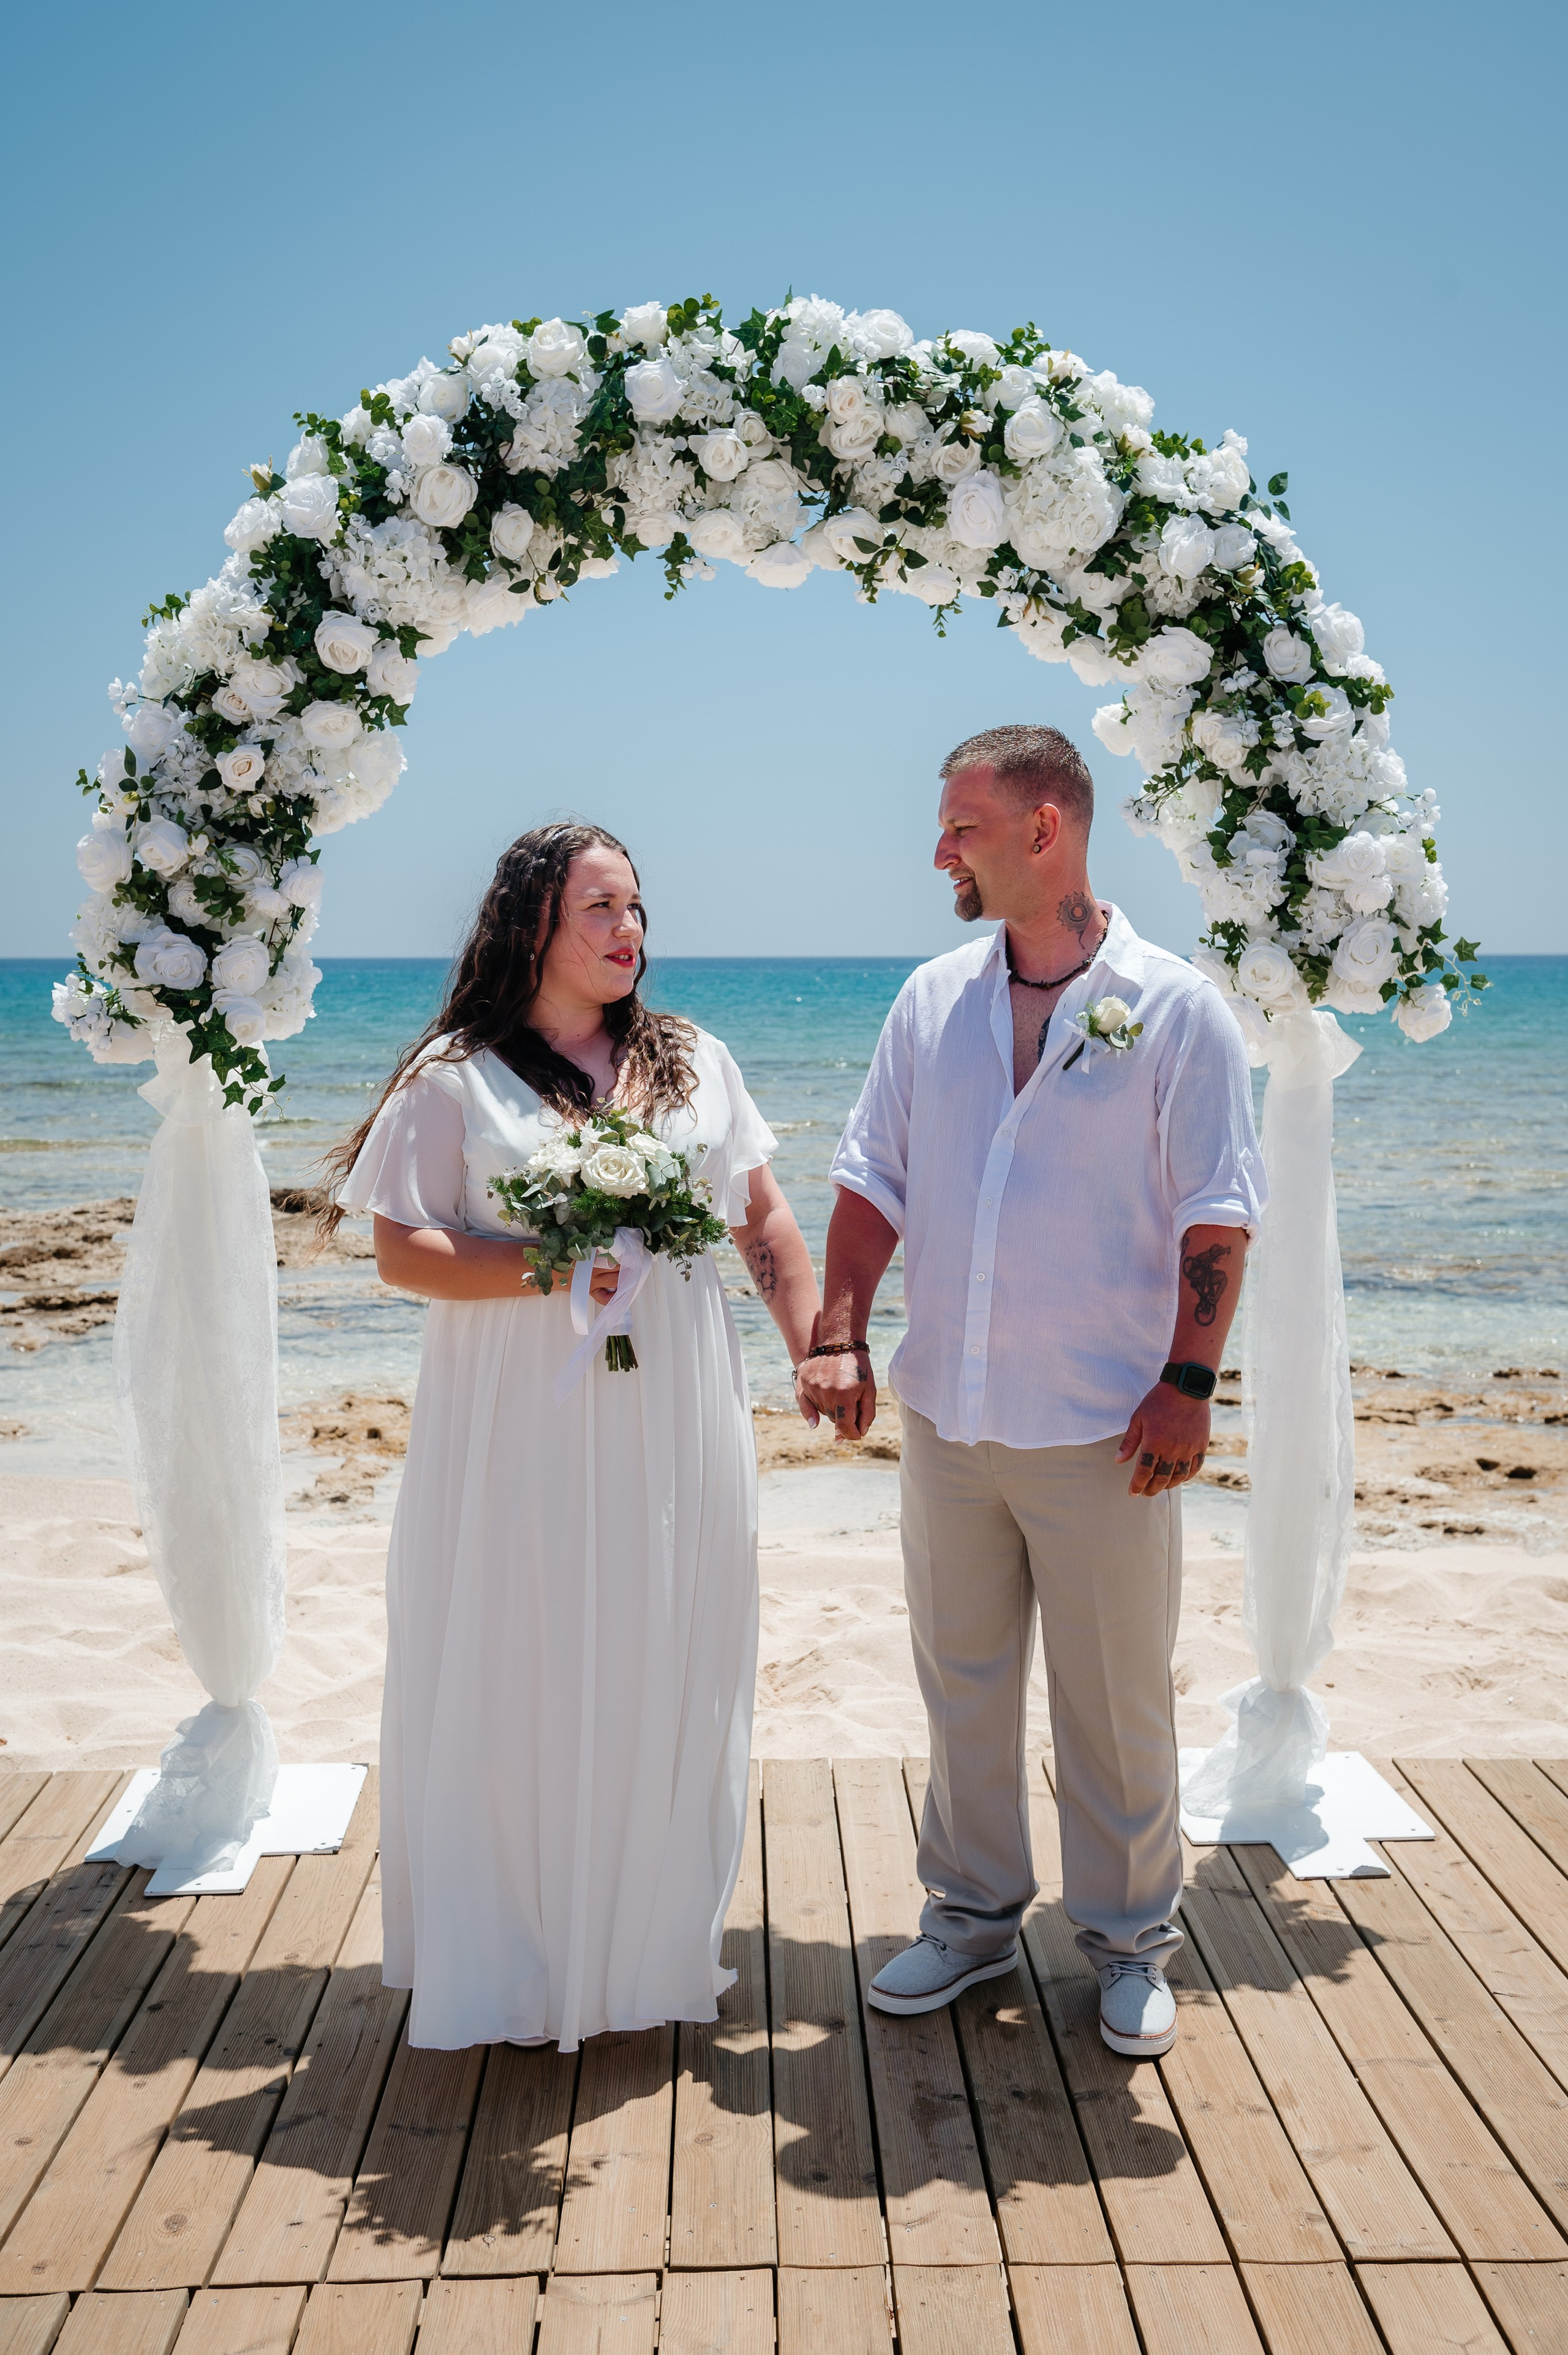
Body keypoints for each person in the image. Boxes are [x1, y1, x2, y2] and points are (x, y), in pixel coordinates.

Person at [801, 725, 1265, 2059]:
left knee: (1115, 1694)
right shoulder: (929, 1000)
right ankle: (968, 1913)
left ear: (1045, 828)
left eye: (962, 825)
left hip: (1105, 1428)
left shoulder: (1173, 1008)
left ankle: (1125, 1939)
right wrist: (839, 1331)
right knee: (959, 1679)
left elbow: (1216, 1212)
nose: (938, 849)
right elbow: (869, 1177)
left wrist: (1188, 1383)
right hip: (949, 1415)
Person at [322, 822, 820, 2052]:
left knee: (666, 1647)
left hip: (675, 1411)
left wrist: (820, 1346)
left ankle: (642, 1947)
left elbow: (760, 1219)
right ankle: (519, 1958)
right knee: (524, 1647)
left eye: (636, 905)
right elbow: (403, 1249)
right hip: (522, 1421)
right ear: (531, 923)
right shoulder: (457, 1075)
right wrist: (561, 1269)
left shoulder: (697, 1060)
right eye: (599, 906)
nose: (627, 928)